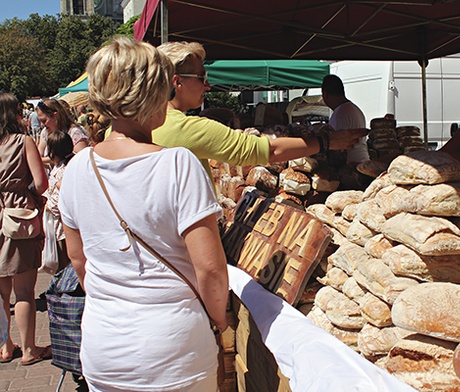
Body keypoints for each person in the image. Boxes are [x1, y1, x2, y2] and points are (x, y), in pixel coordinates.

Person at [59, 36, 229, 391]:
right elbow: (210, 269)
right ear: (155, 94)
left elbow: (79, 260)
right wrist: (218, 321)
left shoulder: (76, 168)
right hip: (173, 348)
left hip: (104, 345)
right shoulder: (178, 163)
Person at [154, 41, 367, 183]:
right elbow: (265, 151)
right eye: (202, 77)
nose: (208, 86)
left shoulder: (147, 121)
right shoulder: (186, 129)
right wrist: (326, 142)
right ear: (177, 81)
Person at [0, 92, 51, 365]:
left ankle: (6, 346)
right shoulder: (23, 141)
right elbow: (41, 184)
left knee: (0, 291)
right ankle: (29, 349)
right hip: (19, 216)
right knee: (23, 290)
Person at [43, 130, 75, 273]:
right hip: (56, 223)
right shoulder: (60, 166)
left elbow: (59, 198)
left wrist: (48, 206)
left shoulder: (65, 169)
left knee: (64, 258)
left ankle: (65, 287)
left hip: (61, 222)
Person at [321, 74, 370, 165]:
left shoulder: (340, 114)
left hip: (351, 166)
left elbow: (338, 150)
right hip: (362, 161)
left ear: (325, 93)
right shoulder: (353, 108)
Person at [36, 99, 90, 165]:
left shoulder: (75, 132)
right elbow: (38, 154)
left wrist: (42, 160)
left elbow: (79, 158)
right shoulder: (45, 132)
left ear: (56, 116)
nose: (41, 125)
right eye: (40, 121)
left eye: (44, 121)